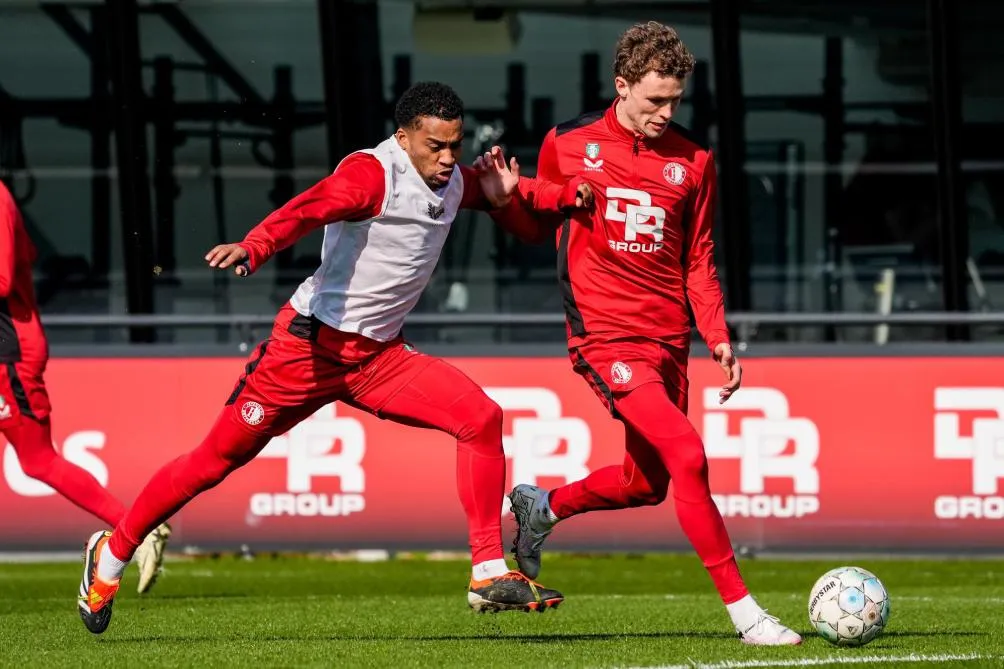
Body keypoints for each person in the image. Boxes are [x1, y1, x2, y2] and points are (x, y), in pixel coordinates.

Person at [77, 81, 591, 635]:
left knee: (481, 418)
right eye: (434, 145)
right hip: (306, 351)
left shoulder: (451, 180)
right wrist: (255, 245)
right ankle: (111, 555)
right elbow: (306, 209)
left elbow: (516, 195)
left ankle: (488, 572)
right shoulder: (371, 175)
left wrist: (566, 196)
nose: (446, 158)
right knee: (213, 461)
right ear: (402, 137)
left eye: (455, 145)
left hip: (378, 359)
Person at [481, 22, 801, 645]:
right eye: (655, 99)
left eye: (675, 100)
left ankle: (539, 508)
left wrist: (719, 338)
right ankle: (746, 614)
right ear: (621, 86)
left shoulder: (694, 160)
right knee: (688, 456)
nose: (666, 112)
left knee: (647, 483)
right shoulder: (568, 142)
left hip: (667, 340)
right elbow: (531, 224)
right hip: (604, 336)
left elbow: (698, 261)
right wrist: (506, 200)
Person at [0, 181, 171, 595]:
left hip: (8, 352)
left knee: (38, 461)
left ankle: (136, 529)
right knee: (37, 462)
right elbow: (27, 256)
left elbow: (4, 279)